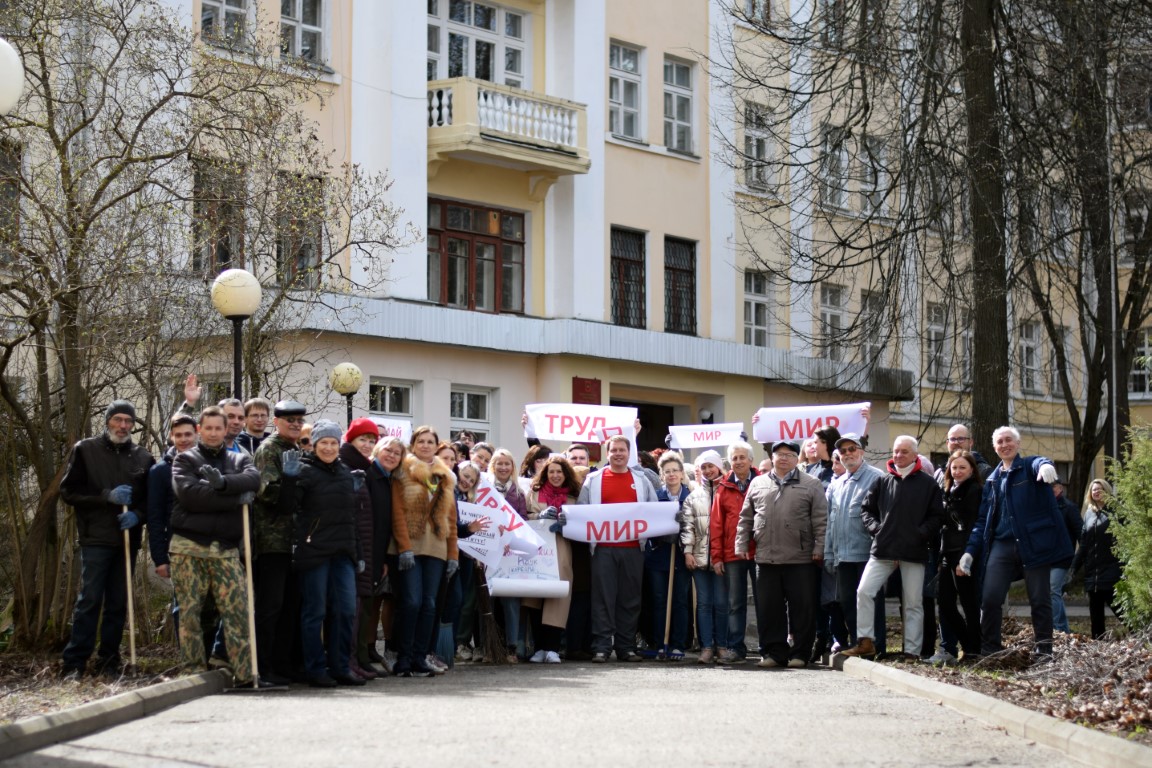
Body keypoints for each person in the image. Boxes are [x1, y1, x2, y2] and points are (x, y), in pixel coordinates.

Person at [169, 406, 271, 688]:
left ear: (226, 430)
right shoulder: (185, 460)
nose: (214, 433)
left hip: (226, 549)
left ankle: (244, 674)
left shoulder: (239, 458)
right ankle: (192, 673)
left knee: (238, 610)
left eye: (219, 428)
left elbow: (254, 480)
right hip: (188, 546)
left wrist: (223, 482)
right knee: (190, 613)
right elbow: (190, 496)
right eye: (208, 428)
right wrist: (234, 497)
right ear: (200, 430)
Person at [958, 427, 1073, 662]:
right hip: (1001, 545)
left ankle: (1044, 651)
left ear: (1017, 444)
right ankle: (991, 650)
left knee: (1039, 599)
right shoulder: (992, 479)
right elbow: (982, 521)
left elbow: (1039, 462)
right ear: (994, 447)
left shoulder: (1029, 467)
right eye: (999, 442)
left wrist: (1045, 466)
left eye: (1009, 440)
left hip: (1032, 544)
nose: (1004, 445)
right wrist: (970, 552)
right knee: (990, 598)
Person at [60, 400, 154, 679]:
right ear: (108, 421)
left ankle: (109, 662)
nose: (123, 426)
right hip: (95, 537)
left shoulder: (143, 457)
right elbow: (69, 492)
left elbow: (152, 502)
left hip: (127, 539)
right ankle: (74, 664)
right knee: (89, 600)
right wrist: (105, 496)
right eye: (118, 420)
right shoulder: (85, 450)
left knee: (117, 602)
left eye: (128, 421)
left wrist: (138, 514)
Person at [278, 420, 365, 687]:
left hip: (343, 552)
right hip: (314, 552)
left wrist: (358, 552)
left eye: (333, 443)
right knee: (314, 611)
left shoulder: (344, 472)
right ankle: (315, 668)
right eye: (323, 443)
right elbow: (285, 508)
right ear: (314, 445)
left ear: (339, 445)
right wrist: (289, 480)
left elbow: (351, 518)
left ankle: (340, 666)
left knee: (346, 610)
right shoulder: (304, 470)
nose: (328, 447)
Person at [842, 435, 944, 661]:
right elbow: (866, 510)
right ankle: (866, 642)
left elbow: (937, 516)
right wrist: (877, 530)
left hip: (914, 551)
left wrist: (920, 534)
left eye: (904, 452)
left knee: (913, 603)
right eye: (896, 451)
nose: (898, 456)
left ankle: (912, 652)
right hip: (883, 549)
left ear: (915, 455)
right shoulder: (883, 481)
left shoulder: (928, 484)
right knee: (864, 591)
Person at [567, 435, 658, 663]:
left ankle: (626, 647)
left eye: (622, 450)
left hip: (633, 549)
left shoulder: (641, 480)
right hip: (603, 549)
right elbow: (582, 511)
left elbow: (655, 510)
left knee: (630, 599)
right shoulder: (594, 480)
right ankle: (602, 647)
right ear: (607, 454)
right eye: (614, 450)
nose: (618, 454)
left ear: (629, 453)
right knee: (602, 599)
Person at [737, 440, 827, 668]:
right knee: (769, 609)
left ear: (797, 459)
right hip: (766, 557)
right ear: (772, 457)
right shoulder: (758, 483)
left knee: (802, 609)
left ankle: (800, 653)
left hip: (800, 558)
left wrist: (819, 548)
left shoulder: (812, 484)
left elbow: (821, 520)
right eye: (779, 454)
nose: (784, 458)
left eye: (789, 454)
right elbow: (746, 518)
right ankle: (774, 653)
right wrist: (741, 544)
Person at [147, 413, 218, 656]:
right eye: (178, 435)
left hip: (211, 544)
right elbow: (155, 517)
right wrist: (159, 557)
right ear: (171, 437)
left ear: (197, 433)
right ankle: (190, 658)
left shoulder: (208, 465)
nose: (184, 439)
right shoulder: (159, 472)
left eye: (188, 434)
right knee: (185, 606)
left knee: (210, 606)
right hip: (177, 548)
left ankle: (209, 659)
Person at [391, 425, 458, 677]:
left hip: (437, 547)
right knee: (411, 602)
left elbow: (451, 518)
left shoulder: (445, 476)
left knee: (430, 604)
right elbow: (396, 511)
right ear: (413, 444)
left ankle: (420, 657)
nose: (426, 445)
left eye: (431, 441)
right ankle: (403, 658)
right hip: (410, 544)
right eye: (422, 441)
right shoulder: (402, 471)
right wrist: (404, 547)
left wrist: (453, 555)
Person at [251, 399, 308, 685]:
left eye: (299, 421)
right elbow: (268, 493)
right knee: (270, 607)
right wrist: (291, 481)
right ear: (277, 422)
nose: (296, 425)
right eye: (290, 421)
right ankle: (264, 666)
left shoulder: (294, 449)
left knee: (290, 607)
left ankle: (285, 664)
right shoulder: (269, 449)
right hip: (272, 541)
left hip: (293, 541)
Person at [824, 433, 887, 656]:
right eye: (843, 451)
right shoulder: (836, 484)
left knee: (871, 601)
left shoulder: (877, 477)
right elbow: (830, 523)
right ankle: (857, 644)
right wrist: (829, 554)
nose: (848, 454)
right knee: (848, 602)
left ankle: (877, 646)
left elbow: (884, 518)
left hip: (868, 555)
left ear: (861, 451)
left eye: (852, 449)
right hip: (842, 556)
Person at [524, 455, 580, 663]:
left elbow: (582, 524)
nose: (555, 475)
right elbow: (524, 516)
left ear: (566, 474)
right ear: (545, 474)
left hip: (561, 550)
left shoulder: (574, 496)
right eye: (551, 472)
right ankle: (539, 647)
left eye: (559, 472)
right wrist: (538, 518)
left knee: (558, 599)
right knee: (535, 597)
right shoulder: (534, 493)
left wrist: (569, 523)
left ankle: (553, 648)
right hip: (537, 551)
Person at [930, 451, 983, 664]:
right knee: (944, 603)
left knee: (970, 604)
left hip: (964, 555)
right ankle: (969, 645)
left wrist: (965, 557)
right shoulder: (948, 490)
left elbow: (971, 525)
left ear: (971, 470)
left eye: (962, 467)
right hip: (947, 554)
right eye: (954, 468)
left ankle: (973, 651)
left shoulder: (975, 490)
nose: (958, 471)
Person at [709, 440, 759, 664]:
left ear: (751, 460)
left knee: (764, 601)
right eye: (734, 458)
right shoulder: (723, 488)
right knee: (735, 603)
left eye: (742, 457)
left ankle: (768, 647)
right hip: (732, 554)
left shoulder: (763, 482)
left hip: (760, 553)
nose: (738, 461)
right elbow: (716, 524)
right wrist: (716, 556)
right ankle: (736, 649)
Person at [340, 418, 382, 680]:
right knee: (349, 609)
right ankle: (348, 660)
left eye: (371, 441)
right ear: (351, 440)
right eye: (362, 440)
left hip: (364, 547)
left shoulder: (366, 468)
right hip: (351, 548)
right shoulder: (347, 466)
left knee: (358, 608)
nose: (367, 445)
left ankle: (354, 659)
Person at [645, 452, 692, 660]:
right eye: (667, 472)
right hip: (658, 557)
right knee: (659, 600)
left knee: (680, 600)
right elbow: (647, 526)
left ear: (682, 474)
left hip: (682, 557)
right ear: (661, 475)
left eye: (675, 471)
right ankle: (659, 642)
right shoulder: (655, 497)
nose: (671, 475)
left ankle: (677, 644)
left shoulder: (691, 496)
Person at [682, 450, 725, 663]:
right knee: (704, 604)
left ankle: (723, 646)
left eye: (711, 466)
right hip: (699, 558)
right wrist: (688, 551)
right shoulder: (693, 497)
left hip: (722, 559)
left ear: (719, 467)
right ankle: (707, 647)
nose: (708, 471)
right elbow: (687, 526)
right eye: (703, 467)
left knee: (722, 603)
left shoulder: (727, 491)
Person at [366, 437, 404, 672]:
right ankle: (367, 649)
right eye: (387, 450)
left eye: (396, 453)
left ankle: (377, 649)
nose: (391, 455)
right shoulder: (370, 475)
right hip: (373, 552)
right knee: (371, 603)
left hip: (390, 552)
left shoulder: (393, 479)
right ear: (377, 450)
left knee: (389, 601)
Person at [1069, 479, 1124, 639]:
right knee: (1096, 617)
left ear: (1106, 491)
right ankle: (1098, 646)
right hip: (1093, 574)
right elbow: (1084, 545)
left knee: (1121, 611)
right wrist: (1073, 568)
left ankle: (1140, 639)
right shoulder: (1089, 514)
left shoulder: (1116, 512)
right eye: (1094, 490)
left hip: (1112, 570)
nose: (1096, 492)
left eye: (1100, 489)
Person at [489, 447, 528, 661]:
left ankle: (512, 647)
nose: (503, 467)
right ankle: (489, 647)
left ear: (512, 467)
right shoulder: (483, 490)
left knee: (511, 601)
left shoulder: (520, 494)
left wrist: (509, 538)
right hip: (488, 554)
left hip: (511, 554)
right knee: (488, 602)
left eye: (507, 464)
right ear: (492, 467)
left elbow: (523, 521)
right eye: (499, 463)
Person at [1050, 478, 1082, 633]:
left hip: (1063, 558)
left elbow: (1081, 534)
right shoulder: (1044, 507)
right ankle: (1064, 630)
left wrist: (1078, 560)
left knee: (1052, 589)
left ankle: (1055, 629)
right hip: (1046, 557)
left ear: (1060, 488)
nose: (1050, 489)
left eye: (1053, 486)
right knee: (1054, 592)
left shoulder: (1069, 508)